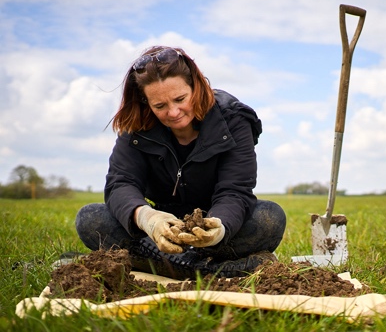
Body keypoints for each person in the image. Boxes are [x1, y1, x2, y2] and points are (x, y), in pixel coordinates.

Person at [75, 46, 286, 280]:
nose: (173, 112)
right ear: (146, 102)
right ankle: (215, 269)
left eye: (180, 99)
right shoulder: (135, 124)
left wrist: (218, 227)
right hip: (160, 225)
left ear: (196, 86)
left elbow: (235, 190)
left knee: (269, 217)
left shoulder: (234, 118)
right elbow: (121, 184)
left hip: (213, 221)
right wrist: (147, 218)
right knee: (90, 219)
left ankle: (159, 263)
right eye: (159, 106)